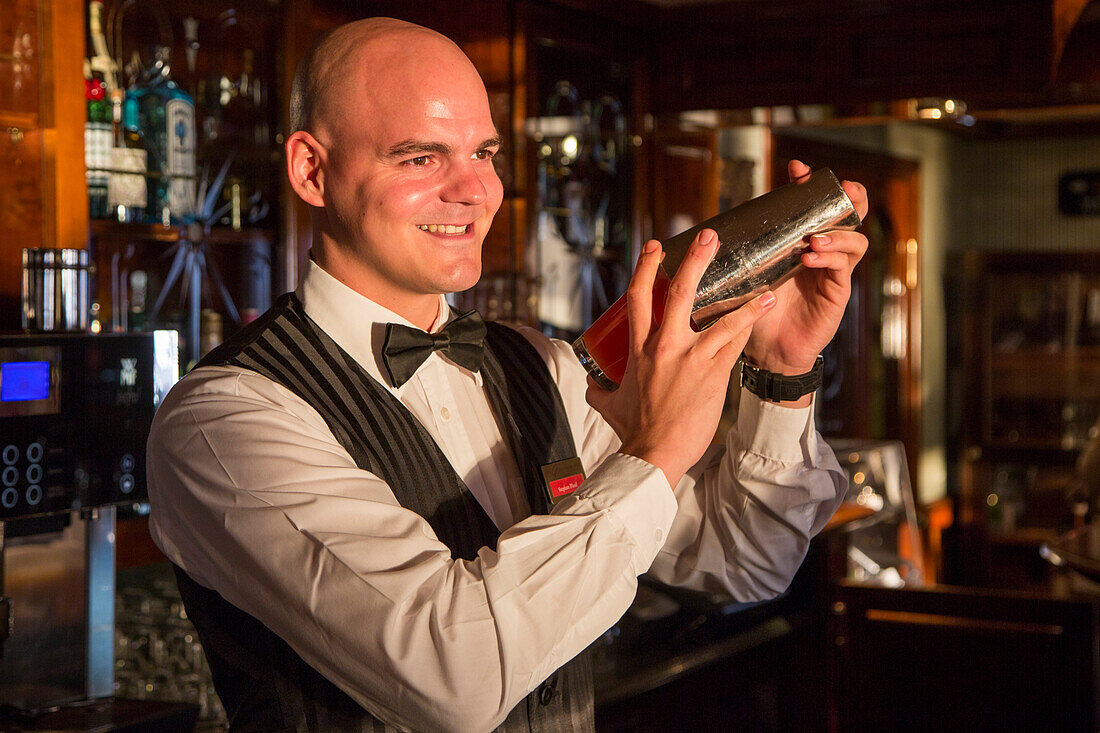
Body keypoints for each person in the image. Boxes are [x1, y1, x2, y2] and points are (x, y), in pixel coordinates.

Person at [146, 17, 869, 733]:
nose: (476, 190)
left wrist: (781, 369)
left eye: (484, 153)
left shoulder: (541, 366)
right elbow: (451, 673)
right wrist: (656, 455)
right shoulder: (226, 418)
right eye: (422, 157)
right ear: (312, 169)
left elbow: (743, 564)